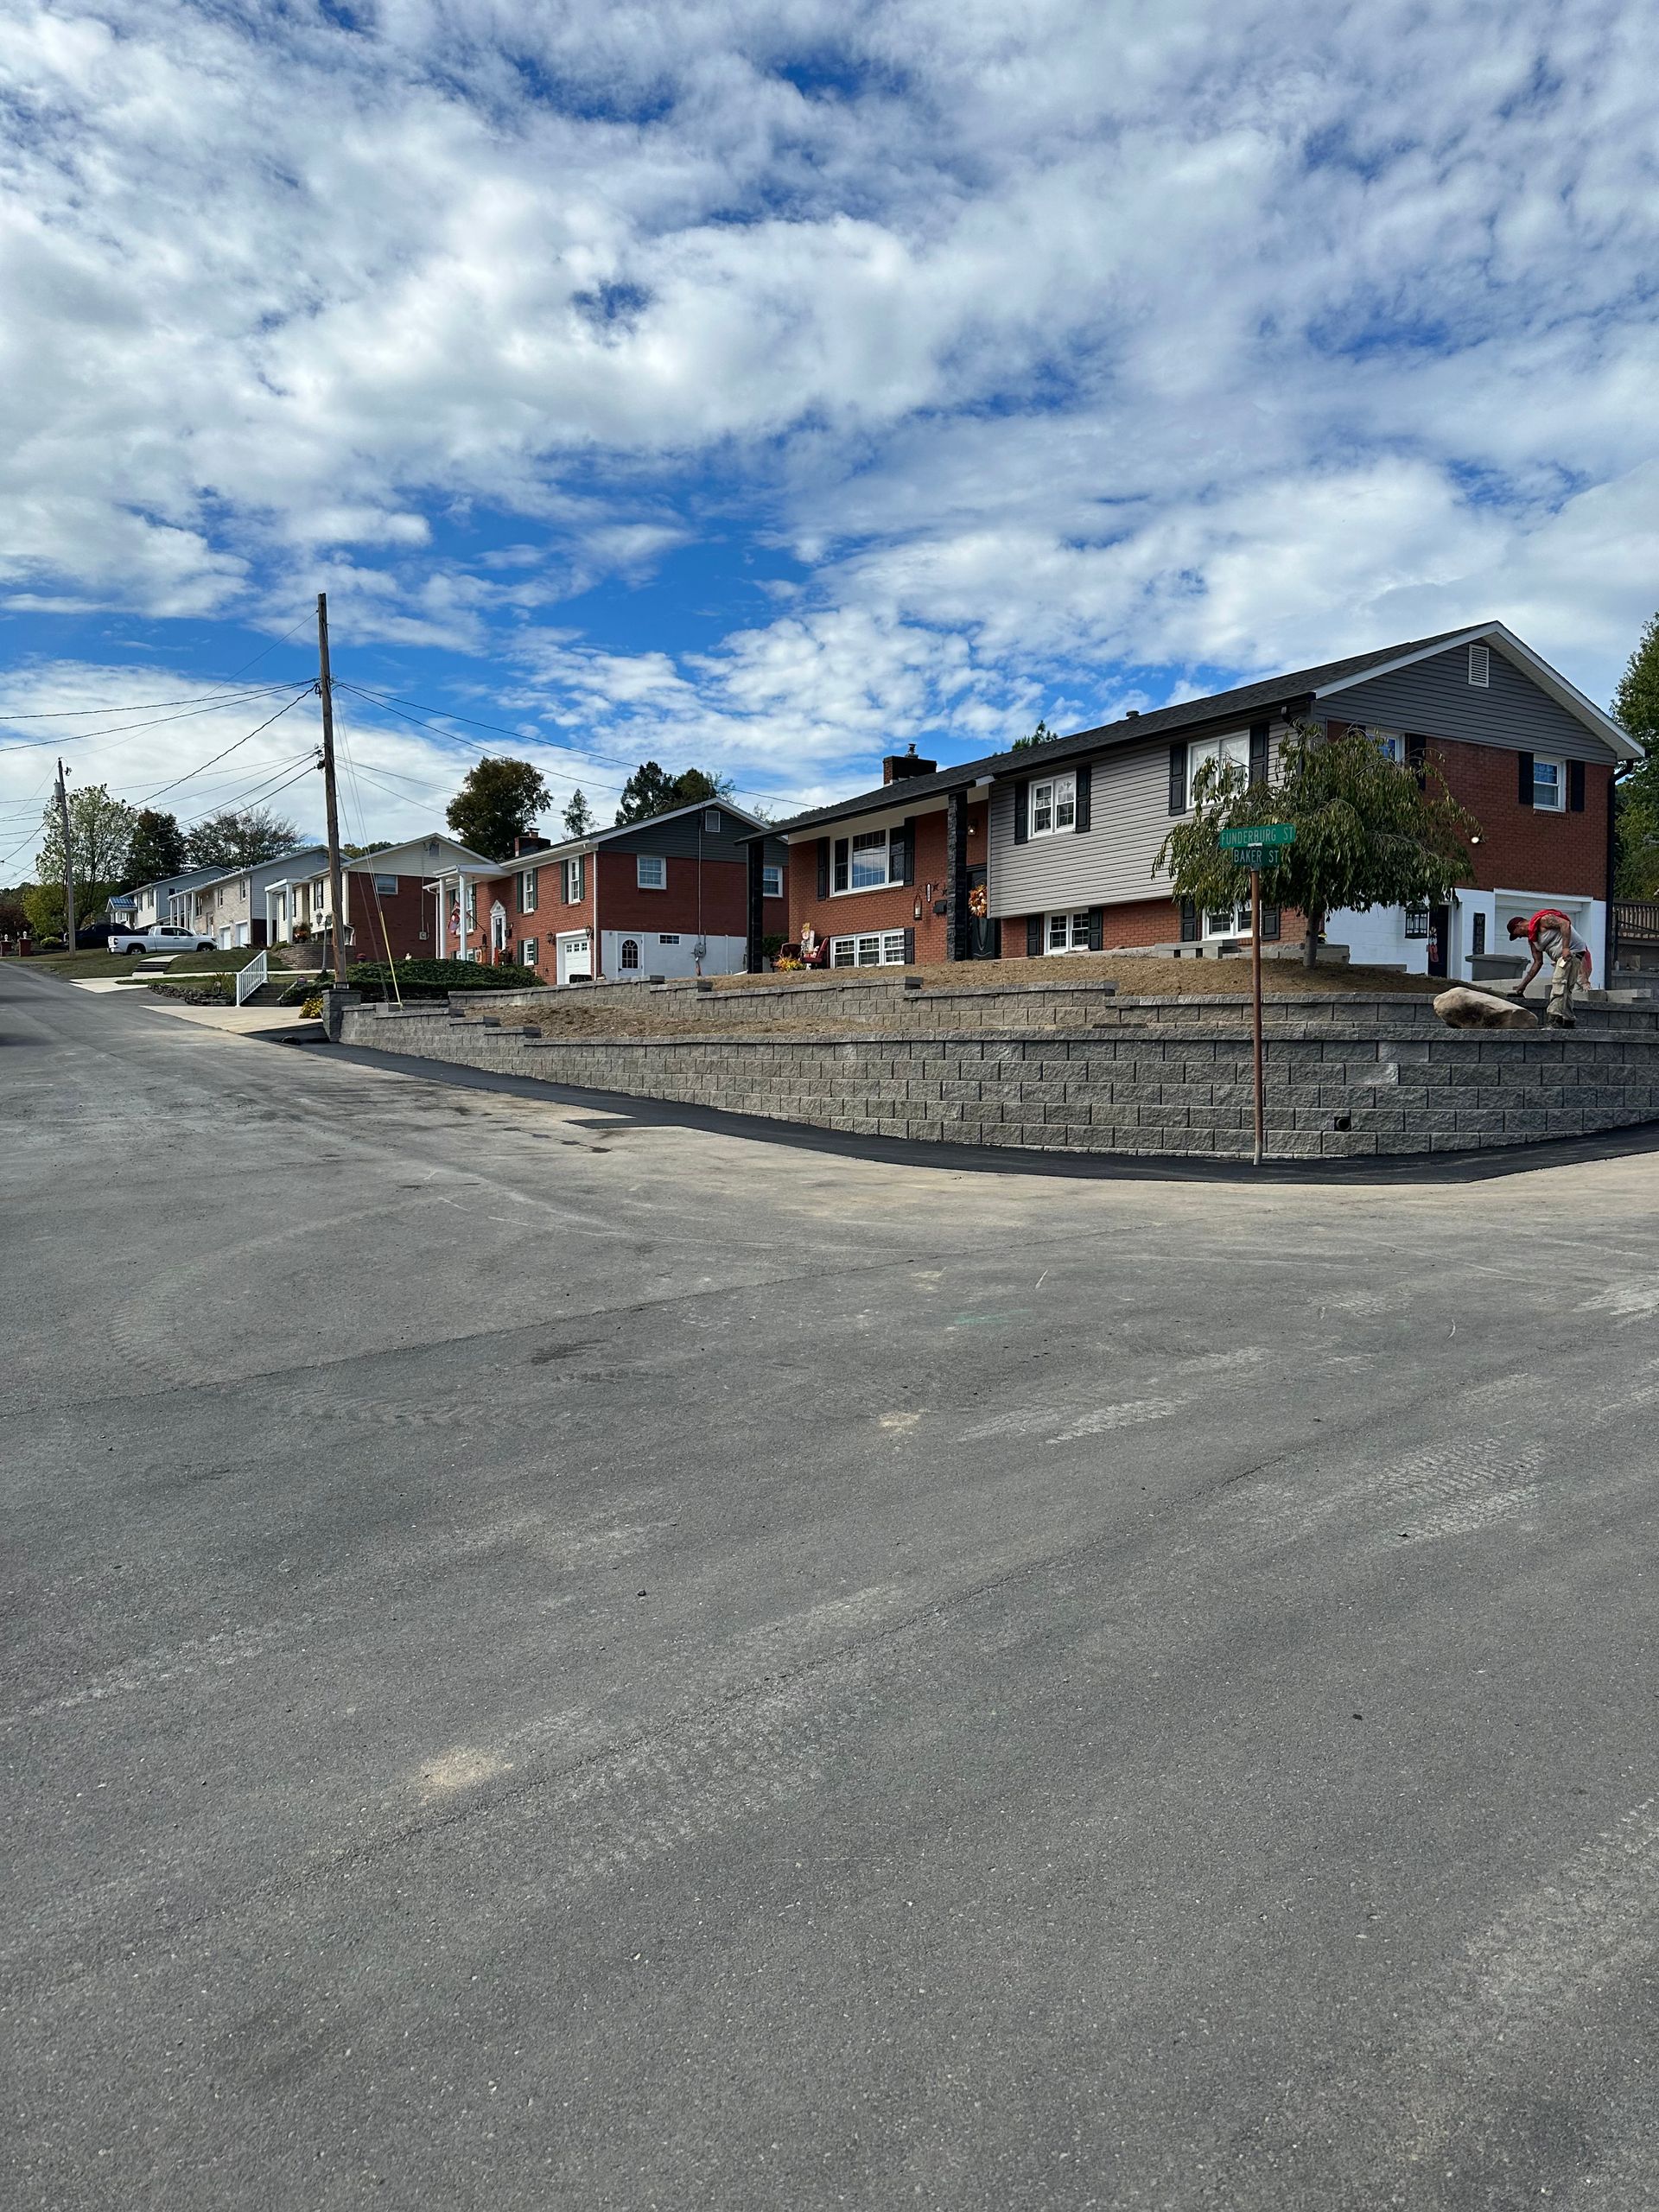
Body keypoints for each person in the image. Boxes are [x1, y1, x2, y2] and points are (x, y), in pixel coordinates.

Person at [1507, 908, 1592, 1027]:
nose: (1520, 937)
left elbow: (1565, 923)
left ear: (1518, 925)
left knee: (1558, 983)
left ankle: (1554, 1019)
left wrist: (1565, 948)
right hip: (1564, 959)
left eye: (1517, 934)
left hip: (1572, 953)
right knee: (1565, 988)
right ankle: (1568, 1020)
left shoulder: (1543, 920)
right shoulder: (1533, 940)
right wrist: (1522, 986)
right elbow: (1537, 963)